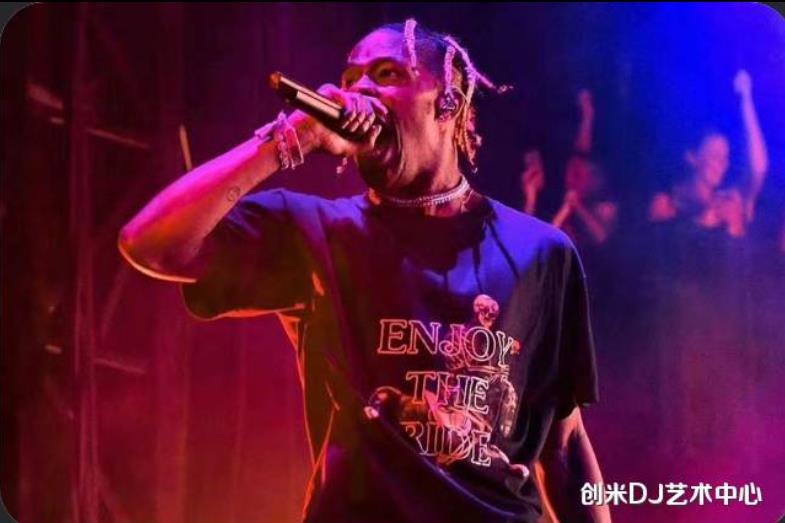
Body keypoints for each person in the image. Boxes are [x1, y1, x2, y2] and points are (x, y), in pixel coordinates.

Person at [118, 19, 610, 523]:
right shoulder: (314, 231)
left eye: (387, 73)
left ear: (448, 102)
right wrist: (287, 140)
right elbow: (151, 244)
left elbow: (565, 447)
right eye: (351, 79)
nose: (360, 91)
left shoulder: (541, 252)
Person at [648, 69, 768, 238]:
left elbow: (758, 169)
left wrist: (746, 99)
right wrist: (702, 218)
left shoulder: (731, 200)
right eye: (714, 155)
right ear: (692, 157)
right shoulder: (669, 202)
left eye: (725, 157)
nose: (722, 163)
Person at [523, 90, 617, 247]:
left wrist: (576, 207)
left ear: (594, 179)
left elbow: (601, 236)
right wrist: (531, 196)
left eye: (577, 174)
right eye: (571, 171)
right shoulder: (556, 195)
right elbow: (530, 240)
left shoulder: (601, 204)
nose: (571, 176)